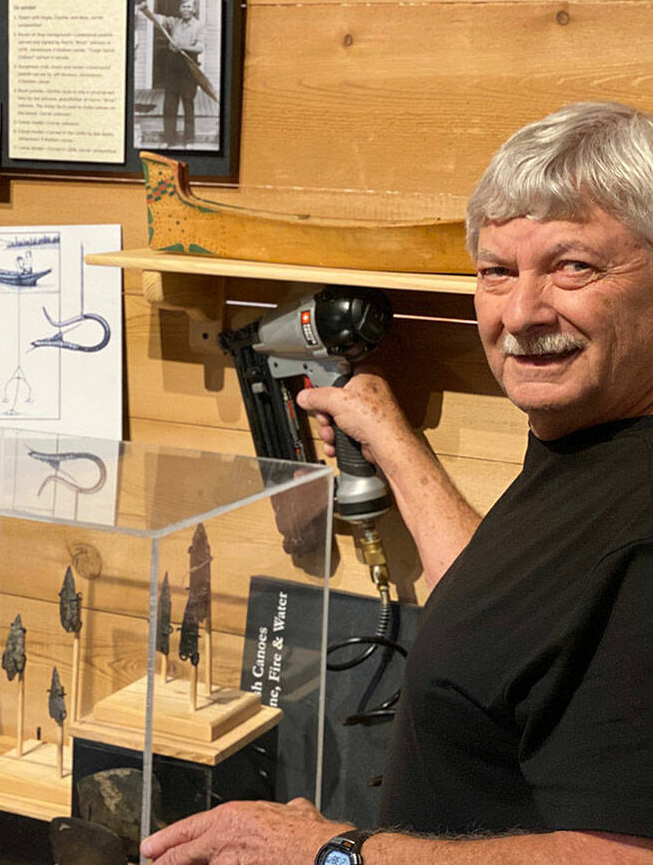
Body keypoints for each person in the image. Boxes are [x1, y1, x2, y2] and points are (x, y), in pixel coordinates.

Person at [141, 102, 653, 864]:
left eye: (573, 266)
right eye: (496, 271)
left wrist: (334, 853)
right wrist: (388, 434)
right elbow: (514, 615)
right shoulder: (588, 444)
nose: (520, 313)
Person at [138, 0, 205, 148]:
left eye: (189, 6)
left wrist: (183, 46)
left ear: (194, 9)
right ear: (180, 9)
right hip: (173, 68)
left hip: (189, 68)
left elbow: (200, 48)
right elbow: (158, 19)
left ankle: (189, 141)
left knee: (188, 104)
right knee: (169, 105)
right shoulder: (174, 22)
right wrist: (145, 10)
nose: (186, 9)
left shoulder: (199, 26)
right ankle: (169, 140)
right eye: (183, 6)